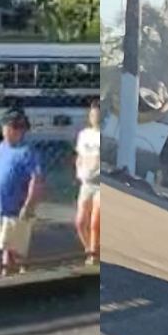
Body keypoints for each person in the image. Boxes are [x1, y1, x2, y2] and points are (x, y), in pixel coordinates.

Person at [0, 109, 43, 276]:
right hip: (0, 208)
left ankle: (23, 276)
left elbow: (35, 180)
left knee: (15, 248)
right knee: (5, 245)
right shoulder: (1, 148)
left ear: (20, 131)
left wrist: (29, 205)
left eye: (10, 128)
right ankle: (7, 276)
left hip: (16, 209)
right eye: (4, 128)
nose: (6, 132)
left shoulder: (27, 152)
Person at [74, 100, 101, 265]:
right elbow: (80, 156)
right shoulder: (84, 134)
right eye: (92, 114)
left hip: (100, 184)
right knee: (80, 222)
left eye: (97, 114)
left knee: (94, 223)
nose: (95, 117)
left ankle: (92, 257)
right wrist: (79, 171)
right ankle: (91, 249)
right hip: (86, 182)